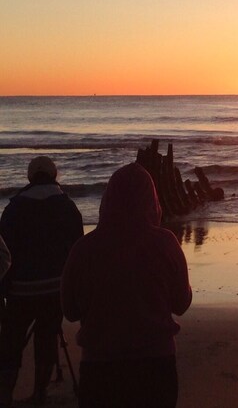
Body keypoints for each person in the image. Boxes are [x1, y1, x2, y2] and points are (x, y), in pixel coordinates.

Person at [61, 163, 192, 407]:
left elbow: (69, 311)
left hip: (99, 368)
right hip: (156, 364)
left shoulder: (84, 248)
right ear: (152, 200)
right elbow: (182, 304)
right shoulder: (166, 243)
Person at [0, 156, 84, 407]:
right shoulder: (67, 206)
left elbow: (3, 255)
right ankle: (39, 393)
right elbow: (76, 250)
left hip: (19, 290)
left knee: (11, 343)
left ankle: (5, 395)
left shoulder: (13, 208)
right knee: (46, 339)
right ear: (54, 175)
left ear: (30, 177)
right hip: (54, 288)